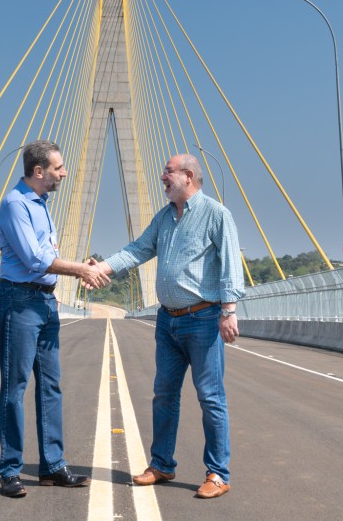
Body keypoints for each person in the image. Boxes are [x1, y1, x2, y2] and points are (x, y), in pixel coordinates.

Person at [89, 153, 244, 499]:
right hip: (168, 321)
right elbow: (137, 250)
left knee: (210, 398)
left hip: (203, 319)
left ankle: (218, 474)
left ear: (188, 176)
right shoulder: (164, 218)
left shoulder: (216, 215)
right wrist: (102, 268)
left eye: (168, 172)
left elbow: (232, 263)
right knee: (164, 395)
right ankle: (161, 464)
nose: (162, 177)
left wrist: (229, 311)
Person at [0, 139, 110, 498]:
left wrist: (78, 268)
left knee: (50, 386)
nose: (64, 173)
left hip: (45, 302)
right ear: (39, 171)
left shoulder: (42, 205)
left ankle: (52, 466)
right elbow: (33, 259)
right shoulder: (15, 205)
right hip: (19, 301)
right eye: (59, 168)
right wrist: (80, 271)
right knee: (15, 387)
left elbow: (48, 255)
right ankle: (10, 470)